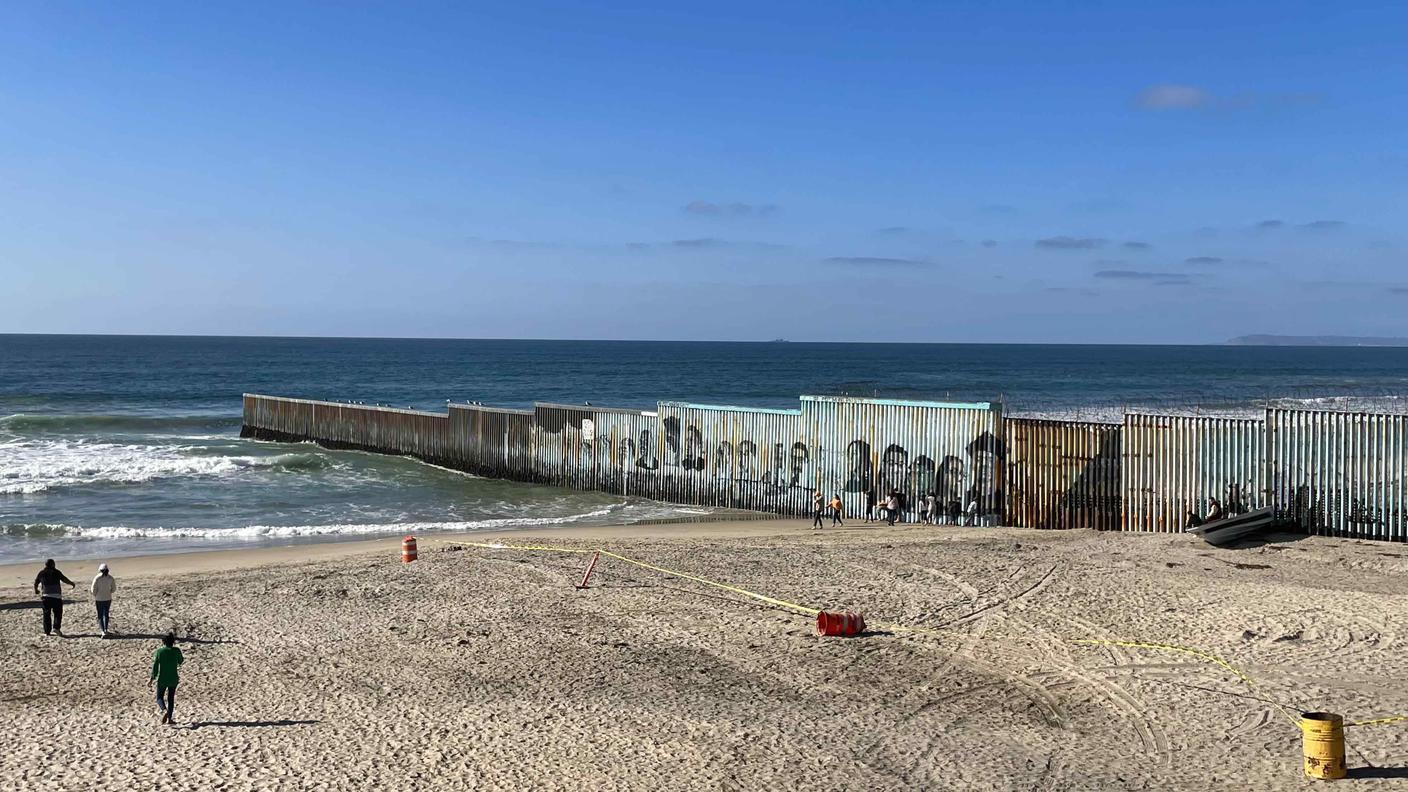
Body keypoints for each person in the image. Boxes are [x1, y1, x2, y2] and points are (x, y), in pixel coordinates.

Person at [33, 559, 75, 636]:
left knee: (46, 614)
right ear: (53, 565)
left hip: (46, 597)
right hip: (56, 597)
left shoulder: (41, 573)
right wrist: (71, 583)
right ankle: (56, 627)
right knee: (58, 613)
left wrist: (36, 590)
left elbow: (36, 582)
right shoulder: (57, 572)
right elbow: (64, 579)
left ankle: (47, 631)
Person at [150, 634, 184, 725]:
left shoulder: (159, 652)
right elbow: (181, 661)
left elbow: (155, 666)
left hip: (162, 678)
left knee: (159, 697)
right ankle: (169, 719)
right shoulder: (176, 651)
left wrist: (152, 678)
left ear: (163, 642)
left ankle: (164, 710)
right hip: (173, 678)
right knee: (171, 699)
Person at [91, 563, 117, 638]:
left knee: (100, 615)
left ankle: (103, 631)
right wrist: (109, 592)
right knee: (106, 614)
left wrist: (96, 595)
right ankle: (105, 629)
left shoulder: (97, 578)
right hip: (108, 598)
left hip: (99, 599)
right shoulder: (110, 578)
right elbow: (114, 589)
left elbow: (93, 590)